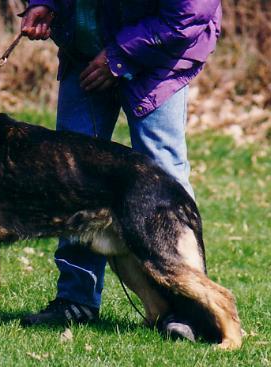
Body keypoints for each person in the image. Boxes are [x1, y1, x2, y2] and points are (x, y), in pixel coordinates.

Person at [19, 0, 221, 341]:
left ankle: (188, 309)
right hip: (85, 51)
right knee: (72, 176)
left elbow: (190, 12)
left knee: (163, 171)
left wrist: (119, 57)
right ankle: (76, 299)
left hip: (159, 57)